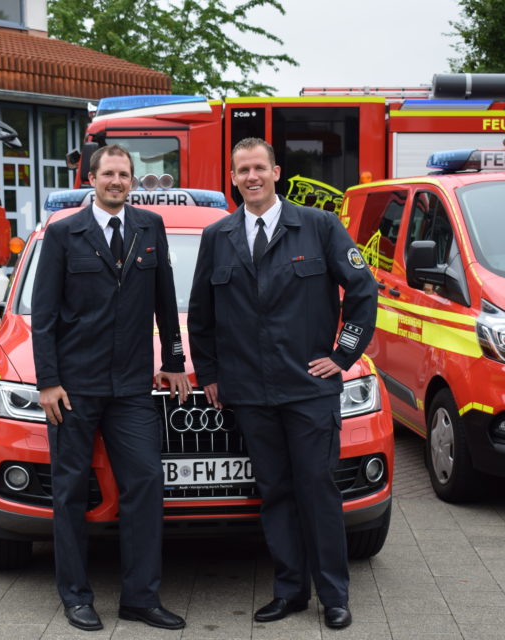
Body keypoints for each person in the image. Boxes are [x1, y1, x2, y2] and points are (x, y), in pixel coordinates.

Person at [187, 138, 377, 630]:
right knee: (274, 493)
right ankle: (290, 591)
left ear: (276, 172)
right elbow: (202, 315)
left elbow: (362, 289)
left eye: (259, 168)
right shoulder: (218, 236)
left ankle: (333, 596)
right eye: (242, 170)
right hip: (251, 393)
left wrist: (343, 355)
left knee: (317, 490)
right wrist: (210, 374)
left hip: (308, 389)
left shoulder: (319, 226)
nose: (251, 177)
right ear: (233, 179)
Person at [32, 144, 191, 632]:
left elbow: (166, 300)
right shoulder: (64, 233)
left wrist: (174, 362)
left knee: (145, 483)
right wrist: (48, 382)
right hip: (74, 388)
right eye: (109, 174)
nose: (117, 182)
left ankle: (140, 598)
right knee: (70, 492)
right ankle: (76, 597)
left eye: (124, 175)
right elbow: (44, 314)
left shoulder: (150, 227)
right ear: (92, 179)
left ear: (133, 181)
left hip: (132, 388)